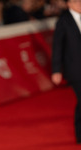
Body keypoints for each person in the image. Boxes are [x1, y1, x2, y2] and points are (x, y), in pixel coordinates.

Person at [51, 0, 81, 144]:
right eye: (77, 1)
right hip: (75, 69)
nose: (80, 4)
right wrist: (56, 70)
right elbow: (57, 46)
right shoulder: (63, 21)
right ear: (69, 4)